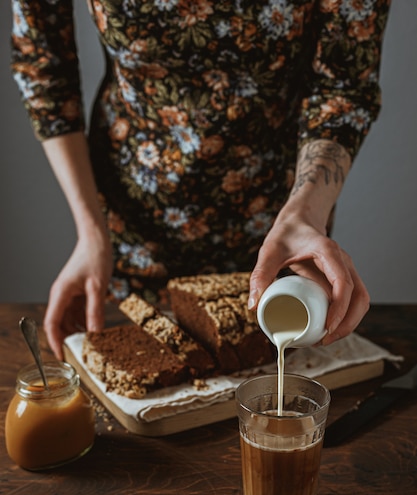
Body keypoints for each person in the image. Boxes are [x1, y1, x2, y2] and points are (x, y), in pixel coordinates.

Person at [11, 0, 391, 360]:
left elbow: (343, 86)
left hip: (279, 228)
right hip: (127, 228)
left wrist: (305, 214)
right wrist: (91, 232)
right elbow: (43, 66)